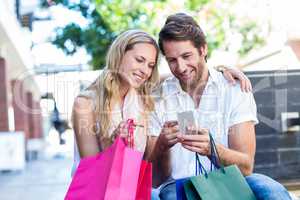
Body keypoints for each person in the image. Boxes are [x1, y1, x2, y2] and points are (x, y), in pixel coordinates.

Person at [147, 13, 291, 200]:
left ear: (203, 49)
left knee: (272, 190)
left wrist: (212, 149)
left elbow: (246, 166)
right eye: (172, 60)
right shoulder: (158, 98)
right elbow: (157, 179)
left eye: (186, 56)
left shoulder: (234, 88)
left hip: (229, 180)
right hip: (178, 186)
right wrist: (161, 146)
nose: (181, 67)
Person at [71, 30, 251, 176]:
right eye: (139, 60)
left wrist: (223, 70)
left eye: (150, 65)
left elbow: (187, 72)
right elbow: (91, 173)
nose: (144, 71)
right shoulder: (85, 104)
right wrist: (112, 142)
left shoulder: (143, 94)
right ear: (119, 54)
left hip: (134, 190)